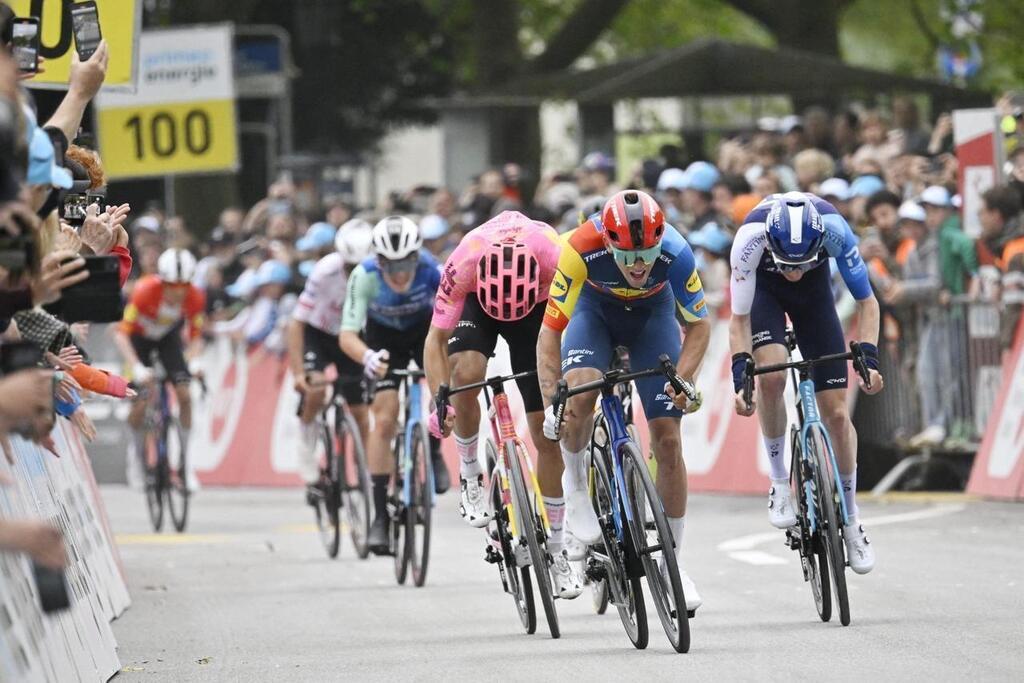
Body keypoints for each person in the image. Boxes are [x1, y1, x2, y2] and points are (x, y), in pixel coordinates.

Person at [537, 190, 711, 609]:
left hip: (653, 318)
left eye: (647, 253)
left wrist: (682, 382)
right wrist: (551, 402)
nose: (638, 265)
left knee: (668, 438)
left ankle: (673, 562)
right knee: (581, 387)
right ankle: (576, 483)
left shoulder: (676, 252)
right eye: (628, 254)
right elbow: (549, 333)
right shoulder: (580, 247)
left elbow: (699, 328)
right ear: (609, 241)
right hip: (592, 313)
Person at [422, 210, 584, 598]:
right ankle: (469, 470)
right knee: (466, 372)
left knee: (547, 433)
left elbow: (576, 325)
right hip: (479, 302)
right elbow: (435, 342)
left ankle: (559, 548)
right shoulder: (463, 262)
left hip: (537, 306)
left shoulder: (554, 255)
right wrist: (440, 398)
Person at [729, 192, 883, 575]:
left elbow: (868, 303)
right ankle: (780, 482)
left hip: (816, 299)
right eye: (786, 264)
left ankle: (850, 519)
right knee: (772, 374)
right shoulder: (749, 239)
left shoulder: (835, 231)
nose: (793, 271)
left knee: (835, 413)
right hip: (765, 293)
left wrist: (869, 358)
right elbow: (739, 319)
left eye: (802, 263)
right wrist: (740, 373)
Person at [339, 216, 449, 553]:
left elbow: (452, 324)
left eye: (406, 263)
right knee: (384, 419)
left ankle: (432, 450)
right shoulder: (364, 276)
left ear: (418, 256)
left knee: (443, 388)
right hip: (383, 338)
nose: (400, 273)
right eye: (391, 264)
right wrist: (368, 357)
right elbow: (347, 334)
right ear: (378, 260)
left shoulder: (434, 271)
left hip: (425, 333)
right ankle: (379, 516)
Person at [287, 220, 373, 505]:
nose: (354, 274)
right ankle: (306, 448)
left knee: (360, 411)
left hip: (353, 336)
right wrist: (299, 372)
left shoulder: (378, 272)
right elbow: (297, 323)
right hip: (320, 335)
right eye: (350, 268)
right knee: (315, 390)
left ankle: (370, 467)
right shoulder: (324, 271)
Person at [115, 248, 206, 469]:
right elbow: (121, 334)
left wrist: (193, 360)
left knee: (185, 395)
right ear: (163, 281)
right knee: (141, 401)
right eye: (173, 286)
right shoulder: (144, 290)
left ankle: (185, 462)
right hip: (139, 341)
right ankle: (137, 456)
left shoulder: (195, 296)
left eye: (184, 286)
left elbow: (196, 336)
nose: (179, 293)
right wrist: (136, 366)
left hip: (167, 340)